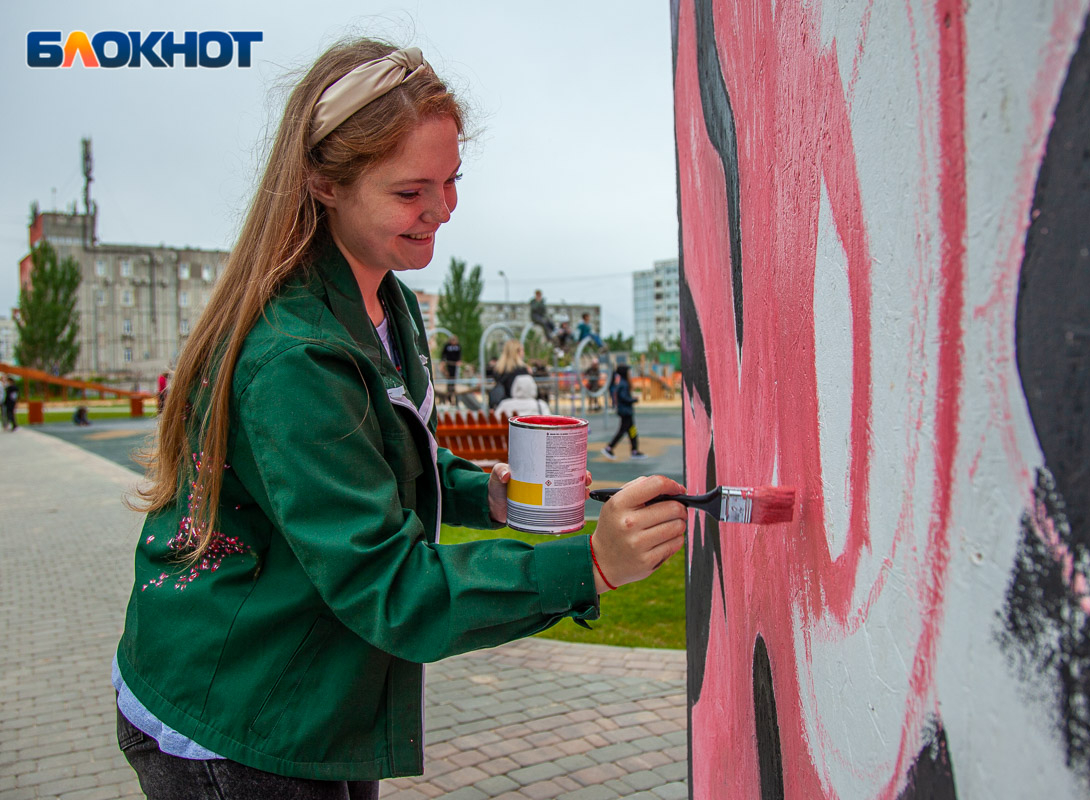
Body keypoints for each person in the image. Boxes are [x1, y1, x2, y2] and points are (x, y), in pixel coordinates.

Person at [114, 39, 686, 798]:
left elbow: (384, 460)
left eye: (452, 181)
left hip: (317, 694)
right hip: (239, 715)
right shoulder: (293, 357)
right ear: (323, 182)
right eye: (412, 190)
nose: (443, 210)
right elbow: (388, 587)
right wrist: (591, 565)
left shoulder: (387, 298)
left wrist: (490, 493)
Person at [603, 364, 646, 460]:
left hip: (627, 411)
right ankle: (609, 447)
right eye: (628, 371)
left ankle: (634, 450)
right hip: (625, 412)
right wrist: (633, 400)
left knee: (632, 430)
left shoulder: (623, 383)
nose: (629, 373)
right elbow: (623, 397)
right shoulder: (623, 384)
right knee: (623, 430)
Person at [490, 338, 530, 408]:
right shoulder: (522, 370)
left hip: (501, 408)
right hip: (518, 408)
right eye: (522, 350)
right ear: (516, 352)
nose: (523, 353)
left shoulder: (498, 370)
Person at [440, 334, 462, 406]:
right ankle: (449, 392)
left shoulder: (458, 346)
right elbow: (443, 354)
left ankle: (453, 390)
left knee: (453, 377)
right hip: (448, 364)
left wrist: (459, 361)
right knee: (448, 376)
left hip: (454, 364)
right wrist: (443, 361)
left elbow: (459, 354)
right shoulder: (447, 346)